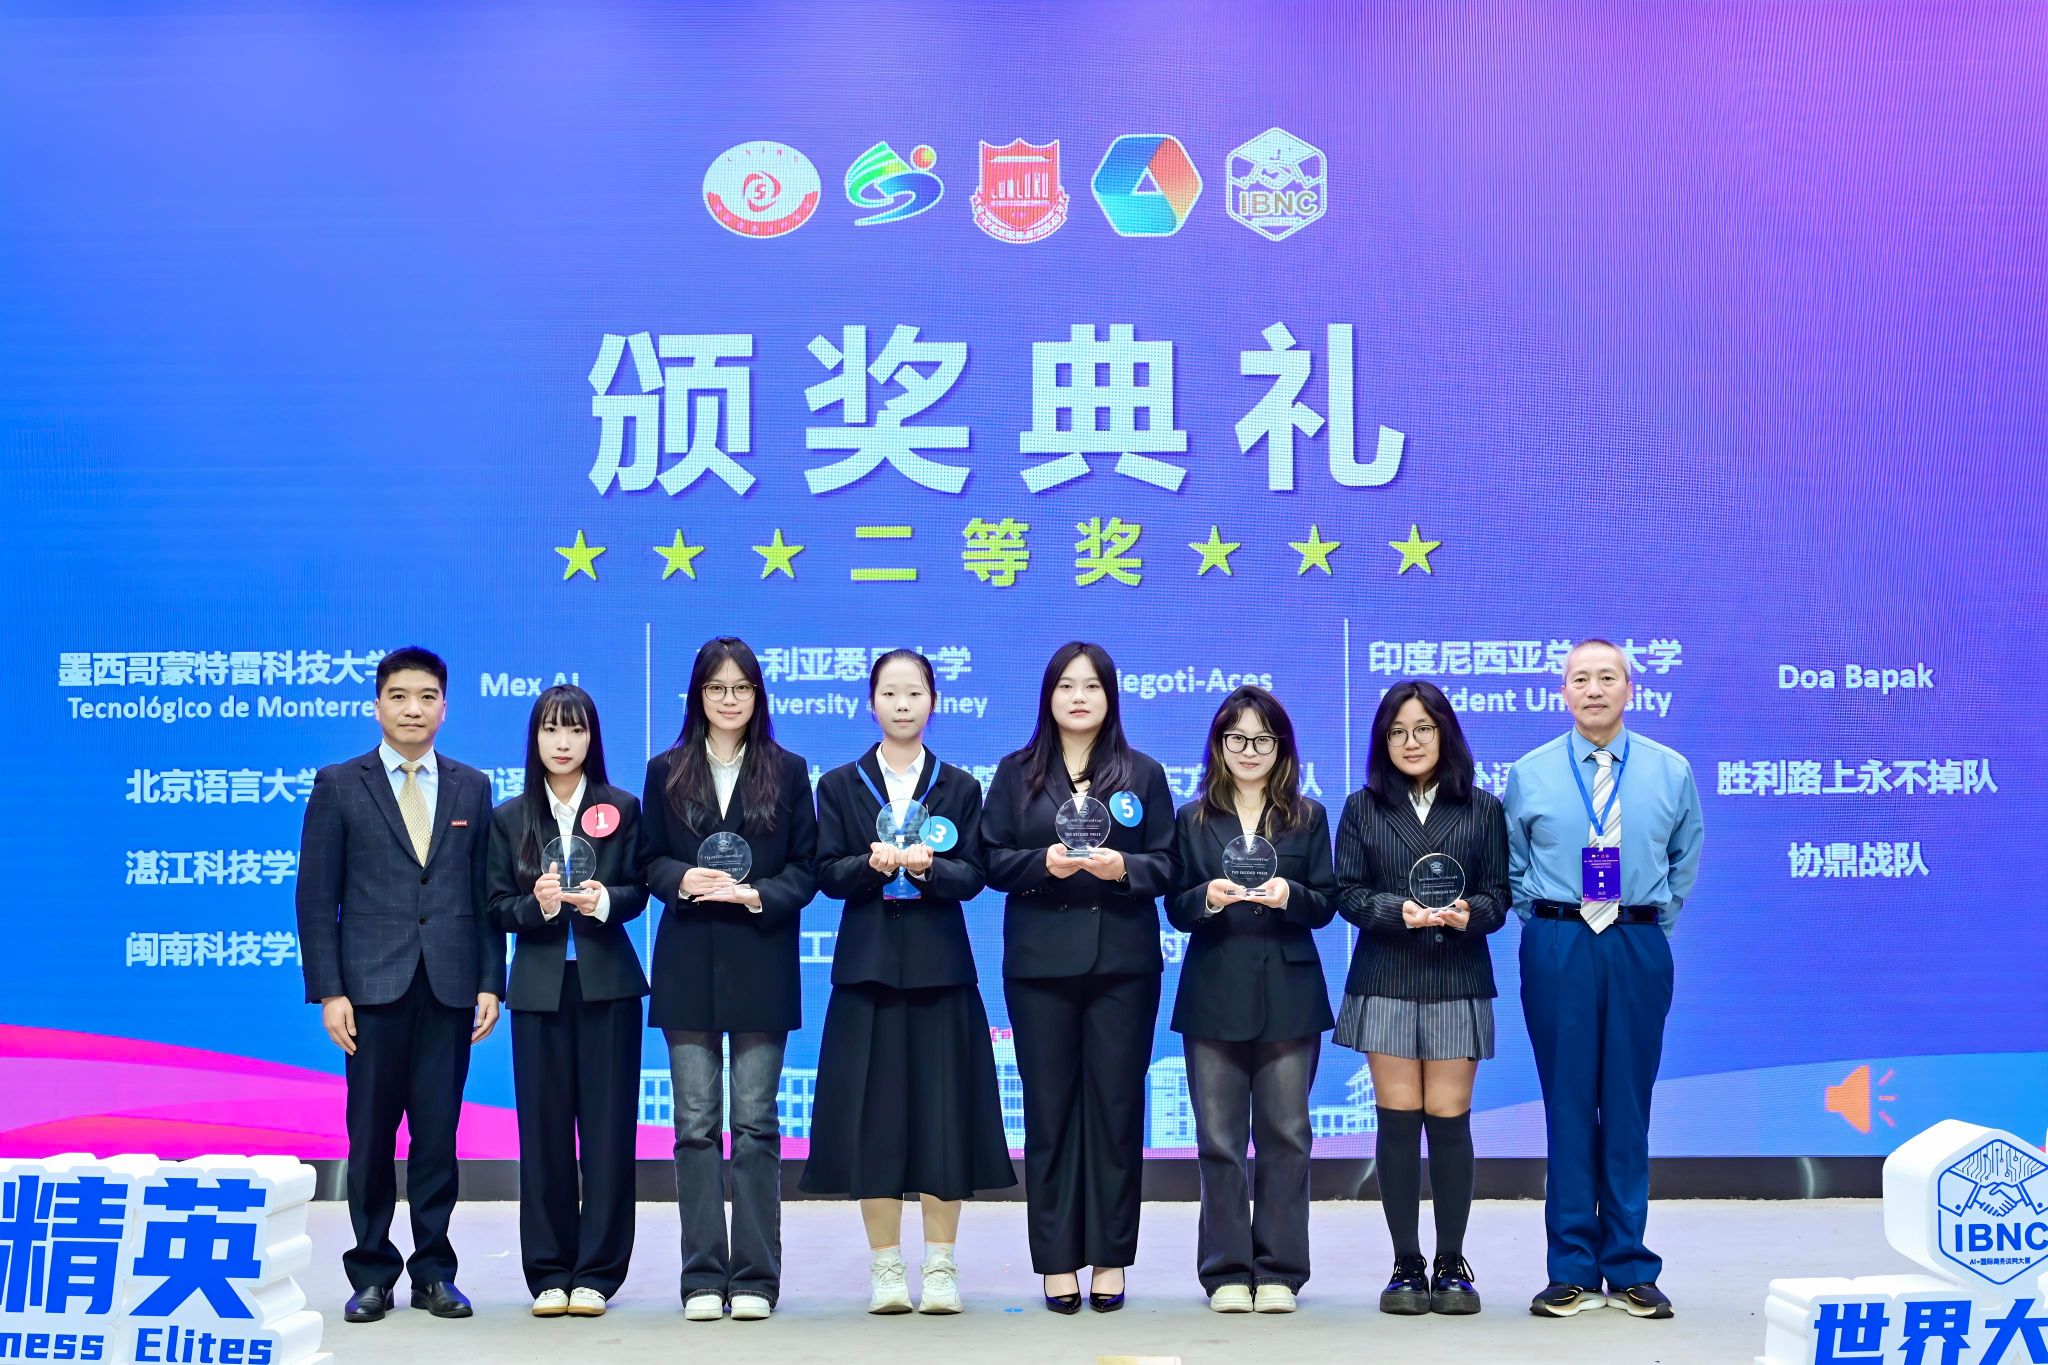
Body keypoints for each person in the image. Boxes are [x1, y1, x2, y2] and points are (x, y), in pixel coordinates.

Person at [801, 649, 1017, 1315]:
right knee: (874, 1118)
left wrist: (928, 869)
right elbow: (826, 873)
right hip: (866, 968)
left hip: (939, 968)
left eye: (914, 692)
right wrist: (869, 866)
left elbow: (974, 874)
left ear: (933, 702)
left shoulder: (959, 786)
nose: (902, 704)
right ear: (871, 703)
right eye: (890, 693)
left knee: (943, 1115)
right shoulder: (841, 784)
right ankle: (887, 1266)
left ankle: (942, 1265)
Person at [296, 645, 502, 1324]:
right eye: (400, 696)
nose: (414, 709)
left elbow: (484, 894)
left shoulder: (472, 786)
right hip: (370, 991)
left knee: (438, 1139)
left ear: (445, 707)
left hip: (449, 987)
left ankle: (435, 1273)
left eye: (427, 697)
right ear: (377, 705)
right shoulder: (339, 783)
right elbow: (315, 897)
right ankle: (372, 1272)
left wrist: (489, 981)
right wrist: (330, 990)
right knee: (371, 1138)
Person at [1506, 640, 1703, 1320]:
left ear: (1630, 689)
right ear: (1563, 691)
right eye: (1580, 678)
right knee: (1566, 1103)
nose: (1594, 689)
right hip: (1558, 939)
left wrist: (1646, 922)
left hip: (1635, 939)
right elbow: (1514, 865)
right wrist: (1552, 922)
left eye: (1607, 677)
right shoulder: (1531, 772)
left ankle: (1630, 1266)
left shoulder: (1670, 770)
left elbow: (1684, 855)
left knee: (1626, 1103)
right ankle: (1570, 1269)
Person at [981, 641, 1178, 1314]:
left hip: (1124, 965)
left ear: (1110, 696)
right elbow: (991, 860)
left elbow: (1168, 863)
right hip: (1040, 964)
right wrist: (1044, 863)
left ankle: (1111, 1257)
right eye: (1066, 684)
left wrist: (1124, 869)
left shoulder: (1142, 773)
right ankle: (1057, 1260)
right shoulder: (1017, 773)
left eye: (1092, 685)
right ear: (1048, 695)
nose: (1079, 696)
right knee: (1051, 1112)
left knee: (1117, 1112)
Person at [638, 637, 818, 1323]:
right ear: (697, 695)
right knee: (694, 1127)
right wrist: (683, 878)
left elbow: (807, 867)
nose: (729, 698)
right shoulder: (665, 770)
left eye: (742, 687)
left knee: (755, 1125)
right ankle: (701, 1276)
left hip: (760, 961)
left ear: (758, 695)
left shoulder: (787, 769)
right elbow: (646, 859)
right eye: (717, 687)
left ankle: (756, 1278)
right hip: (687, 963)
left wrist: (759, 894)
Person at [1334, 680, 1510, 1316]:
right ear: (1383, 741)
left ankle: (1451, 1262)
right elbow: (1347, 893)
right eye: (1398, 732)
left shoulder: (1482, 808)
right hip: (1386, 974)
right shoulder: (1362, 808)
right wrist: (1396, 911)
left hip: (1456, 975)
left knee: (1449, 1117)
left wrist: (1470, 914)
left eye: (1424, 729)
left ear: (1446, 735)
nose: (1411, 742)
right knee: (1399, 1119)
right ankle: (1406, 1263)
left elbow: (1498, 895)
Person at [1166, 685, 1336, 1315]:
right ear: (1219, 745)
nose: (1249, 749)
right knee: (1219, 1140)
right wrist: (1207, 898)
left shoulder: (1308, 816)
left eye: (1263, 739)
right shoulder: (1192, 819)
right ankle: (1227, 1271)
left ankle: (1281, 1271)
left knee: (1287, 1136)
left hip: (1290, 992)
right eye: (1237, 737)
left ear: (1281, 748)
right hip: (1214, 990)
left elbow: (1327, 901)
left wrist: (1290, 895)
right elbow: (1176, 905)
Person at [486, 685, 648, 1319]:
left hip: (608, 987)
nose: (562, 742)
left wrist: (604, 900)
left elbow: (638, 890)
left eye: (575, 730)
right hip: (539, 992)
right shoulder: (510, 817)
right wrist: (539, 907)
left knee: (608, 1134)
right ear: (534, 738)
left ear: (592, 738)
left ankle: (598, 1274)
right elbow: (496, 906)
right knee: (544, 1134)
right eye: (551, 729)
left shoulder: (621, 808)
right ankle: (550, 1272)